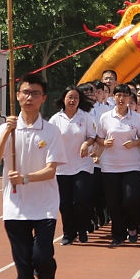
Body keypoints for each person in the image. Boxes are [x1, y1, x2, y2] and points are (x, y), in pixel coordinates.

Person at [0, 73, 66, 279]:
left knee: (42, 257)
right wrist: (7, 132)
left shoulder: (51, 130)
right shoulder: (7, 128)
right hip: (14, 207)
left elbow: (51, 170)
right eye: (24, 92)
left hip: (44, 204)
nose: (28, 97)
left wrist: (25, 178)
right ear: (17, 96)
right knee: (22, 270)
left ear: (43, 98)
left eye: (34, 93)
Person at [96, 83, 140, 246]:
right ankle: (117, 235)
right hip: (110, 166)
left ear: (128, 99)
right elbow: (98, 138)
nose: (121, 99)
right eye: (118, 95)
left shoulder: (136, 117)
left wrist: (133, 144)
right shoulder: (105, 117)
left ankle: (132, 226)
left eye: (125, 96)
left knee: (130, 199)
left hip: (131, 165)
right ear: (114, 97)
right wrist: (105, 142)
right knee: (114, 202)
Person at [50, 85, 97, 245]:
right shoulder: (56, 119)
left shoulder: (85, 117)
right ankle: (68, 233)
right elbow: (49, 140)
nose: (72, 101)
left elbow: (93, 136)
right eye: (70, 97)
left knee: (80, 200)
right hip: (62, 167)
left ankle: (82, 229)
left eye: (76, 98)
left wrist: (86, 144)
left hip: (82, 165)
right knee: (65, 203)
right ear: (63, 99)